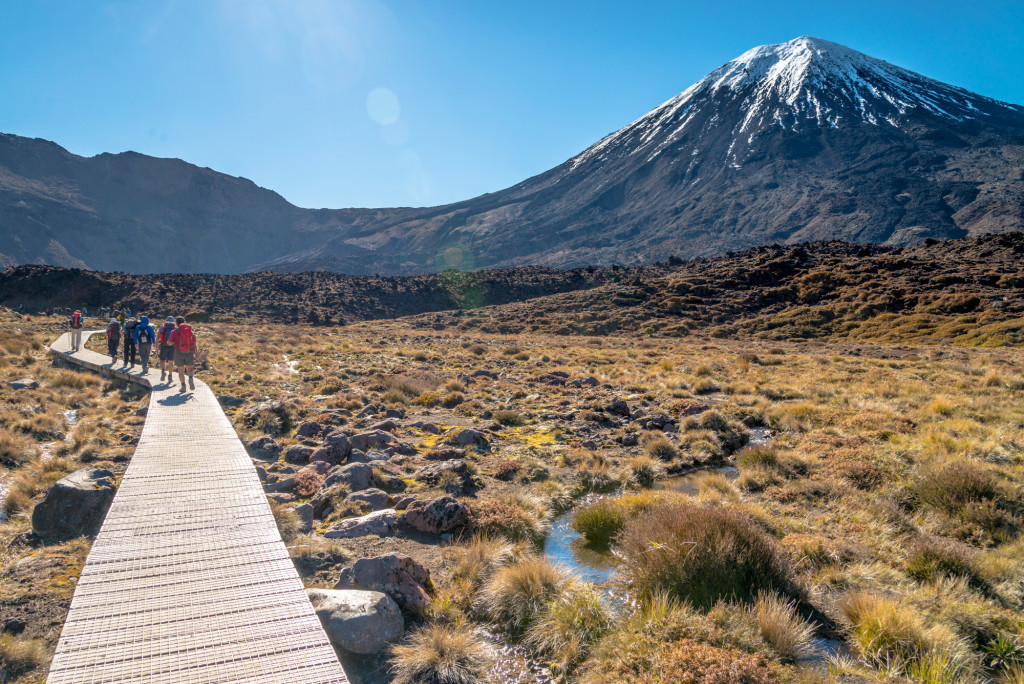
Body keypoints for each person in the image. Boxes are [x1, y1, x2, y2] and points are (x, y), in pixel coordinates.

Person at [168, 316, 197, 392]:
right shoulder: (190, 332)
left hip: (178, 352)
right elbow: (194, 343)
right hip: (189, 351)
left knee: (181, 371)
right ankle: (190, 378)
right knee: (190, 369)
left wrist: (170, 342)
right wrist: (196, 353)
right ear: (184, 321)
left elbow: (170, 343)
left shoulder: (174, 332)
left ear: (176, 324)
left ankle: (183, 387)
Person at [156, 316, 177, 382]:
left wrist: (156, 347)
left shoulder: (162, 327)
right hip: (172, 346)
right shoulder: (175, 327)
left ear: (166, 320)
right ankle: (170, 376)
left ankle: (163, 371)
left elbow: (157, 338)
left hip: (163, 345)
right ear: (173, 321)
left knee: (162, 360)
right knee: (171, 361)